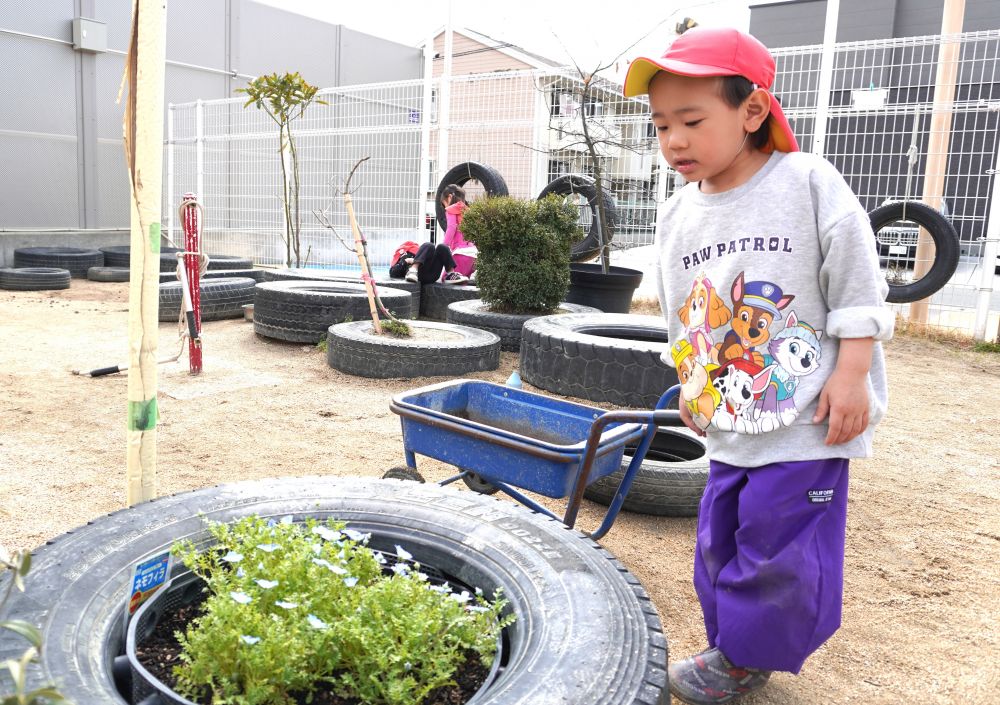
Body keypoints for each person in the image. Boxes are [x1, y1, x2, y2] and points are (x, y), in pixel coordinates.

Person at [623, 27, 893, 705]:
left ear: (752, 111)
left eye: (691, 120)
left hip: (806, 417)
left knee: (780, 545)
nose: (674, 141)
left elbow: (858, 280)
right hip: (730, 413)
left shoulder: (806, 183)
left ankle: (744, 657)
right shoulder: (678, 214)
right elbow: (682, 310)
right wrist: (689, 378)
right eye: (661, 125)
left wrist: (852, 372)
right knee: (720, 537)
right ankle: (735, 644)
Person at [439, 184, 477, 279]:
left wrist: (444, 247)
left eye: (444, 204)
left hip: (460, 253)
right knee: (461, 285)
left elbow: (451, 227)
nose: (445, 207)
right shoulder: (468, 211)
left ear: (450, 197)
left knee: (445, 280)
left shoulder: (451, 209)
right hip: (473, 255)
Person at [388, 240, 468, 285]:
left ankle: (450, 274)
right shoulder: (403, 254)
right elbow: (393, 272)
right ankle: (413, 270)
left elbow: (432, 256)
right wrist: (406, 261)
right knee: (429, 245)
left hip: (432, 275)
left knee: (441, 247)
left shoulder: (422, 251)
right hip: (417, 276)